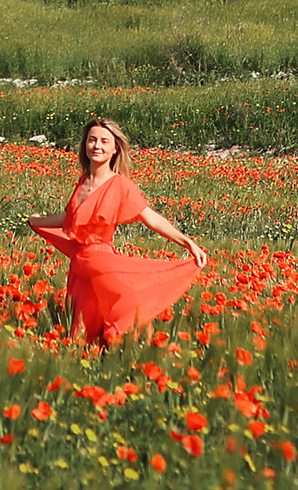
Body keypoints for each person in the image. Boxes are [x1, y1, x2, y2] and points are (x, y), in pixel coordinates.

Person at [25, 117, 208, 346]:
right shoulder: (83, 182)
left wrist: (188, 243)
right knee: (82, 334)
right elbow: (69, 218)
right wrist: (38, 221)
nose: (97, 146)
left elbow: (150, 218)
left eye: (104, 141)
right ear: (85, 145)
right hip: (80, 268)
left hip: (103, 265)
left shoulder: (120, 185)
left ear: (114, 149)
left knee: (122, 313)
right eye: (92, 140)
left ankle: (129, 365)